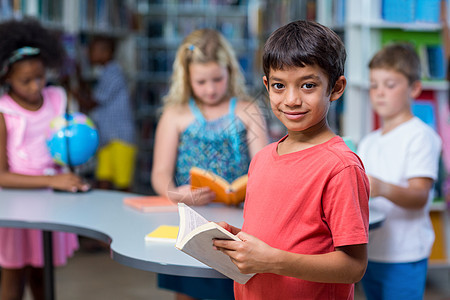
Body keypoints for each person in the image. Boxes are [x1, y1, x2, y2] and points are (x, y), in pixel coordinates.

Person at [212, 20, 370, 300]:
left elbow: (354, 266)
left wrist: (271, 259)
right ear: (266, 86)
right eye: (279, 86)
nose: (292, 99)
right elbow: (281, 237)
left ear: (336, 88)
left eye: (308, 85)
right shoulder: (261, 159)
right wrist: (240, 242)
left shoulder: (340, 167)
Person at [151, 28, 268, 299]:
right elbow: (160, 173)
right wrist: (174, 193)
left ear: (230, 71)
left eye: (217, 79)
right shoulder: (174, 115)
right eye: (201, 82)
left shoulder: (247, 110)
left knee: (235, 286)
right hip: (191, 217)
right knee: (189, 287)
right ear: (186, 78)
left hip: (240, 218)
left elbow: (263, 167)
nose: (211, 89)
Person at [0, 18, 87, 300]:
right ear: (6, 78)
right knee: (14, 274)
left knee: (43, 273)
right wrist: (53, 179)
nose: (36, 86)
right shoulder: (4, 113)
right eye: (26, 80)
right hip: (15, 209)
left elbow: (69, 141)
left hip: (51, 204)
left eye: (40, 76)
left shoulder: (57, 98)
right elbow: (1, 175)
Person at [357, 43, 442, 299]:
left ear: (414, 88)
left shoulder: (421, 137)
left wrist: (380, 187)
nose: (379, 93)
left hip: (405, 255)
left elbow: (419, 197)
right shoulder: (369, 141)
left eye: (390, 85)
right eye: (374, 85)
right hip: (371, 252)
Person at [72, 36, 136, 192]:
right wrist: (78, 77)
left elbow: (91, 102)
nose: (88, 54)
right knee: (103, 179)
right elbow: (92, 95)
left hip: (120, 138)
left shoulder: (113, 73)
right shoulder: (105, 72)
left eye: (91, 51)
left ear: (106, 52)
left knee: (122, 184)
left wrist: (69, 90)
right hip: (107, 137)